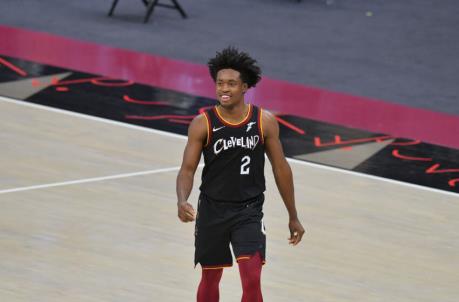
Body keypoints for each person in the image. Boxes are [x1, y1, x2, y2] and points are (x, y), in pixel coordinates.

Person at [176, 46, 305, 302]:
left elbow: (281, 169)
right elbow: (187, 169)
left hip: (248, 211)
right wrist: (182, 200)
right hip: (212, 210)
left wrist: (293, 215)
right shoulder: (203, 124)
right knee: (210, 277)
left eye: (231, 84)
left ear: (245, 87)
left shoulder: (263, 121)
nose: (224, 89)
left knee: (252, 278)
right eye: (220, 83)